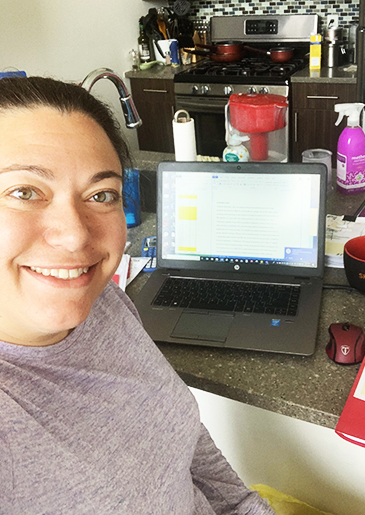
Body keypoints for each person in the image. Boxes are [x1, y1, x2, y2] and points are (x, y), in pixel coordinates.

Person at [0, 76, 275, 515]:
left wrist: (245, 506)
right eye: (24, 191)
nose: (75, 235)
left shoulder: (104, 304)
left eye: (100, 194)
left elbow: (184, 441)